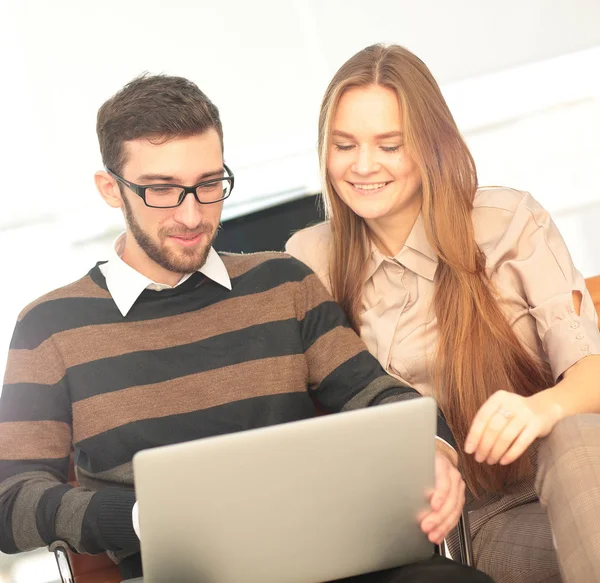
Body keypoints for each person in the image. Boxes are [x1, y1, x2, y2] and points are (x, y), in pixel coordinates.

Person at [0, 74, 493, 583]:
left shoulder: (283, 282)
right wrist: (136, 517)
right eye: (163, 190)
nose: (192, 215)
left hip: (330, 557)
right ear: (111, 190)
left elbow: (382, 396)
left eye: (209, 185)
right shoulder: (48, 327)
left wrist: (432, 452)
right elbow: (9, 502)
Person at [285, 43, 600, 583]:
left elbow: (590, 370)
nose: (363, 166)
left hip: (581, 469)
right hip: (485, 517)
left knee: (572, 436)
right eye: (344, 145)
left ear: (430, 146)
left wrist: (541, 410)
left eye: (390, 145)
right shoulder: (309, 261)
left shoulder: (508, 222)